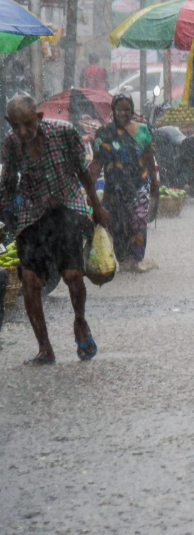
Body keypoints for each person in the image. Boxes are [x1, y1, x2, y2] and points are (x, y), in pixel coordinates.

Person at [0, 95, 109, 365]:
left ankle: (80, 321)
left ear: (39, 117)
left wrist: (96, 207)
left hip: (65, 207)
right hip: (32, 214)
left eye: (28, 124)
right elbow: (8, 183)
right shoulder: (11, 144)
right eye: (16, 126)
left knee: (73, 276)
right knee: (29, 282)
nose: (23, 132)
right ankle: (45, 348)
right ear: (8, 123)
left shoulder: (64, 133)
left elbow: (83, 173)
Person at [88, 94, 158, 273]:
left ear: (132, 110)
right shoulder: (105, 133)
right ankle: (124, 261)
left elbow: (149, 159)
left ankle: (136, 261)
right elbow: (97, 163)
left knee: (138, 224)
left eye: (127, 109)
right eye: (119, 109)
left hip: (139, 188)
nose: (123, 113)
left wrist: (154, 186)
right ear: (113, 110)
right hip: (114, 190)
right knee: (117, 227)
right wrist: (90, 189)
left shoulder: (143, 130)